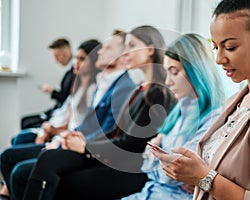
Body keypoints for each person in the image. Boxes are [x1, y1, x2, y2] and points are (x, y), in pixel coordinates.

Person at [152, 0, 250, 199]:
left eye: (230, 47)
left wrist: (203, 177)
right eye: (215, 48)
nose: (219, 59)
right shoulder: (234, 101)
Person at [22, 25, 176, 200]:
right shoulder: (141, 89)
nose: (125, 52)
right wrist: (83, 141)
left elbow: (131, 143)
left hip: (128, 167)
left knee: (59, 175)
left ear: (149, 50)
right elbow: (115, 131)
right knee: (49, 158)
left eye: (131, 46)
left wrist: (87, 148)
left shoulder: (157, 93)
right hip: (112, 155)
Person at [0, 30, 138, 200]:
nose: (100, 51)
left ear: (122, 55)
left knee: (25, 168)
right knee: (16, 163)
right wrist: (65, 137)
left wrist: (73, 141)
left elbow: (109, 131)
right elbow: (86, 124)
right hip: (80, 142)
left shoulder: (123, 88)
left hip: (90, 150)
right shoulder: (106, 83)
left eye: (107, 48)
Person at [122, 33, 224, 200]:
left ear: (196, 71)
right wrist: (155, 156)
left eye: (174, 72)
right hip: (149, 191)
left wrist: (155, 152)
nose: (168, 82)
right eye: (166, 73)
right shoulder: (179, 110)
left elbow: (175, 173)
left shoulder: (213, 118)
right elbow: (150, 168)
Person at [21, 38, 76, 129]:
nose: (56, 61)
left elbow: (65, 99)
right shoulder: (69, 73)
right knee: (25, 121)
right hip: (58, 112)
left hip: (61, 115)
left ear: (66, 53)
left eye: (57, 56)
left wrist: (52, 91)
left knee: (26, 123)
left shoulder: (74, 74)